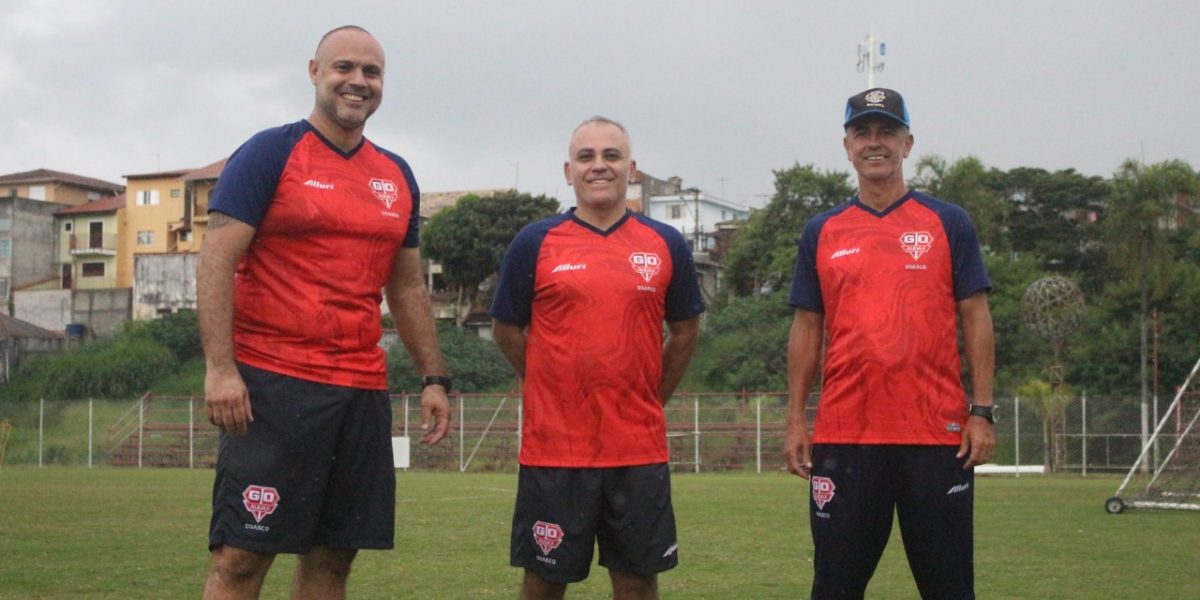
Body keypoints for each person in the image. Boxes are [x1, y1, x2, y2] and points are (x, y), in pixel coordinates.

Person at [197, 25, 452, 599]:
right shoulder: (270, 151)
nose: (358, 82)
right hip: (272, 383)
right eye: (345, 68)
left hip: (360, 391)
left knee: (333, 558)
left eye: (372, 72)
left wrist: (433, 376)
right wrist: (220, 367)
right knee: (241, 557)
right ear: (315, 71)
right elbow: (216, 258)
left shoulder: (396, 175)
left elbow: (407, 287)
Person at [782, 88, 997, 599]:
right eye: (863, 133)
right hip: (845, 437)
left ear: (908, 142)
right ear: (847, 146)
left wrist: (982, 410)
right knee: (834, 586)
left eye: (886, 132)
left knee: (948, 588)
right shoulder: (822, 230)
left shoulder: (948, 222)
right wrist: (795, 420)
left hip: (936, 437)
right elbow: (807, 327)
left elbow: (976, 316)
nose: (874, 143)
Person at [490, 117, 705, 600]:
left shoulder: (665, 243)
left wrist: (652, 396)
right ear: (569, 172)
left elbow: (687, 330)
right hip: (556, 450)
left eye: (611, 156)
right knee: (544, 583)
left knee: (636, 583)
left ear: (632, 169)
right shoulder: (535, 242)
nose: (599, 166)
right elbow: (505, 329)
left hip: (636, 450)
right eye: (586, 157)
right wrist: (549, 380)